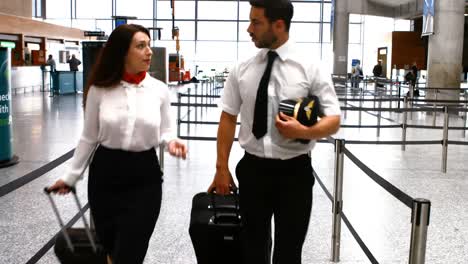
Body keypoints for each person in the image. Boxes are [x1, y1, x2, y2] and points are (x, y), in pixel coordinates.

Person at [208, 0, 341, 263]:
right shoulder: (242, 68)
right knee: (252, 249)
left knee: (289, 252)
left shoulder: (309, 67)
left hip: (294, 174)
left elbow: (333, 119)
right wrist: (221, 167)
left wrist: (305, 129)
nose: (249, 29)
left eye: (256, 22)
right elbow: (228, 117)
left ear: (278, 25)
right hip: (252, 172)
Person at [47, 24, 188, 264]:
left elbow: (165, 131)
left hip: (145, 178)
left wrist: (171, 142)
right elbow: (89, 137)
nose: (149, 52)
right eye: (141, 46)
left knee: (131, 249)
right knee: (110, 249)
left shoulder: (159, 90)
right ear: (122, 52)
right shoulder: (99, 90)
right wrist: (71, 177)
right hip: (105, 177)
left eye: (149, 46)